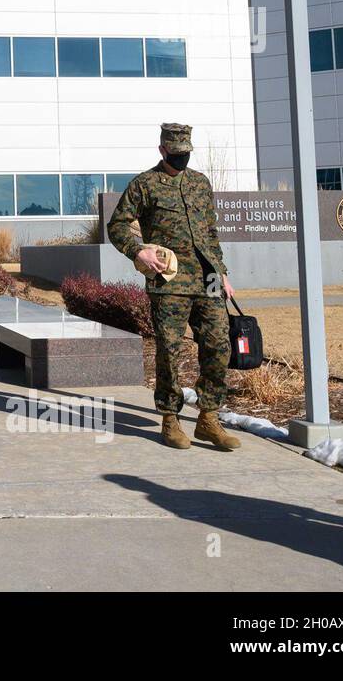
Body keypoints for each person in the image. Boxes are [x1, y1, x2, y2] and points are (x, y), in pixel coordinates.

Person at [107, 123, 241, 453]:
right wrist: (138, 250)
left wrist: (221, 272)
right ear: (163, 150)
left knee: (219, 345)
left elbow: (210, 234)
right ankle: (170, 417)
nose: (181, 158)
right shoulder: (144, 185)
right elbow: (117, 226)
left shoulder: (200, 183)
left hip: (207, 277)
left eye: (186, 153)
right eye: (176, 153)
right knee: (169, 349)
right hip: (169, 283)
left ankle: (209, 418)